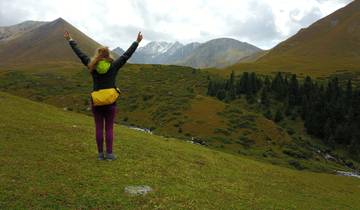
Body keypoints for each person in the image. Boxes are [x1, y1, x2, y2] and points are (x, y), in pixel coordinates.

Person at [64, 30, 143, 160]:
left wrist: (70, 40)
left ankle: (100, 154)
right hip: (111, 102)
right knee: (109, 128)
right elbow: (126, 55)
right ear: (108, 55)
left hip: (97, 102)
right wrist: (137, 42)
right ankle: (110, 154)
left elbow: (80, 54)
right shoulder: (114, 66)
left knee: (99, 127)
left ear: (98, 56)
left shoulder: (92, 65)